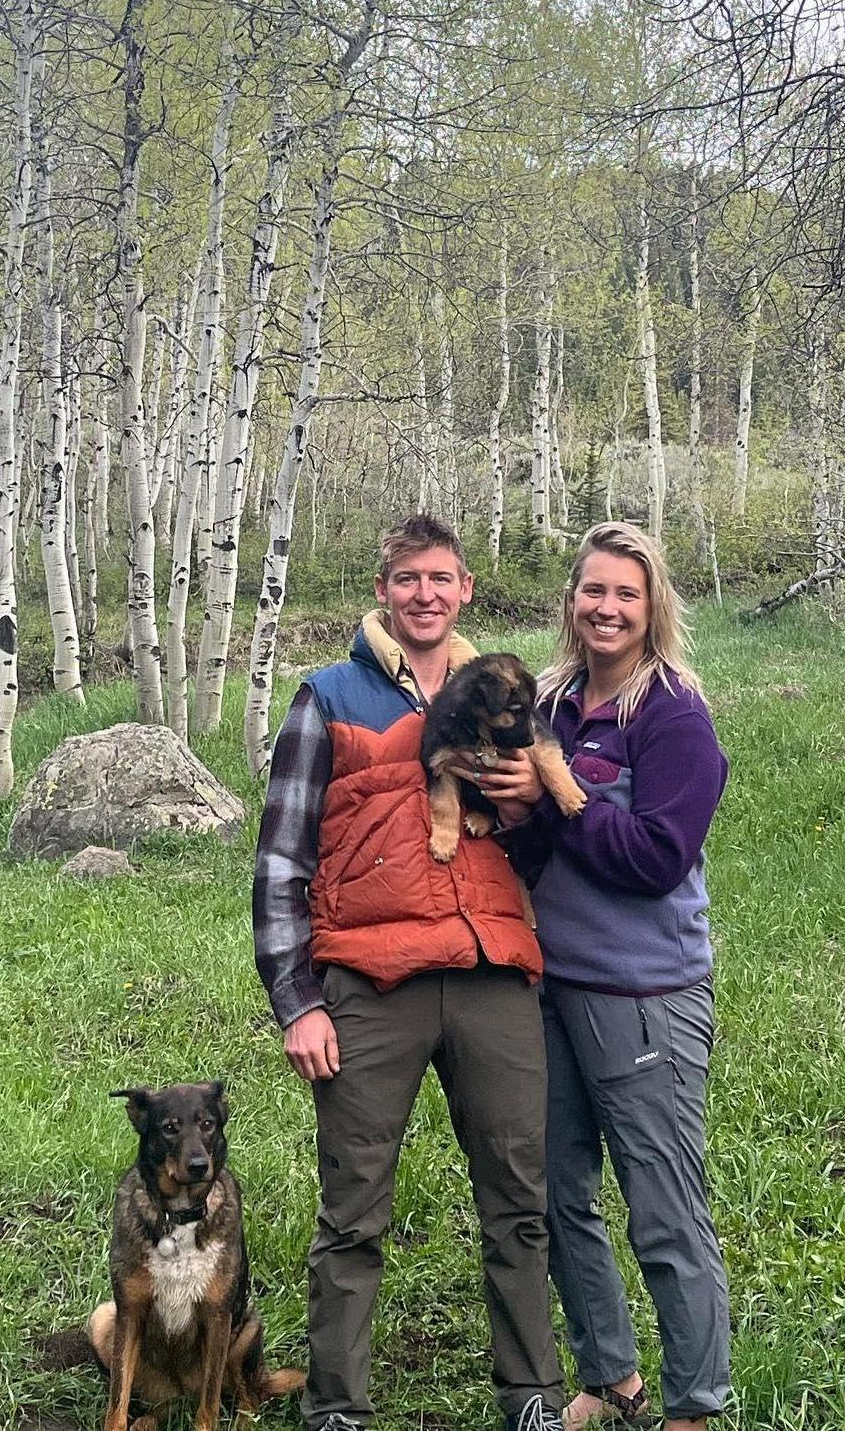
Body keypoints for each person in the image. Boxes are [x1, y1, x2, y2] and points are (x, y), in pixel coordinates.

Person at [253, 514, 566, 1431]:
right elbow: (280, 860)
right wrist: (296, 1002)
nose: (424, 594)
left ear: (466, 586)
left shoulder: (511, 696)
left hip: (490, 970)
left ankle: (533, 1399)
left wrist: (526, 806)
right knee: (353, 1210)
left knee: (518, 1199)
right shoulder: (329, 696)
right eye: (406, 579)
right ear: (383, 590)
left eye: (441, 577)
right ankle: (336, 1408)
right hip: (368, 980)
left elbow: (549, 844)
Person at [477, 522, 730, 1431]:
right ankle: (609, 1375)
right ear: (571, 602)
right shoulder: (551, 700)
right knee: (555, 1191)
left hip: (646, 996)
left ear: (652, 605)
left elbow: (657, 857)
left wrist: (554, 797)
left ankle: (693, 1406)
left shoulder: (672, 716)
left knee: (661, 1208)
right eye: (592, 591)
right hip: (550, 986)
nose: (606, 608)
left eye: (625, 593)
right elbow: (546, 852)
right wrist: (513, 811)